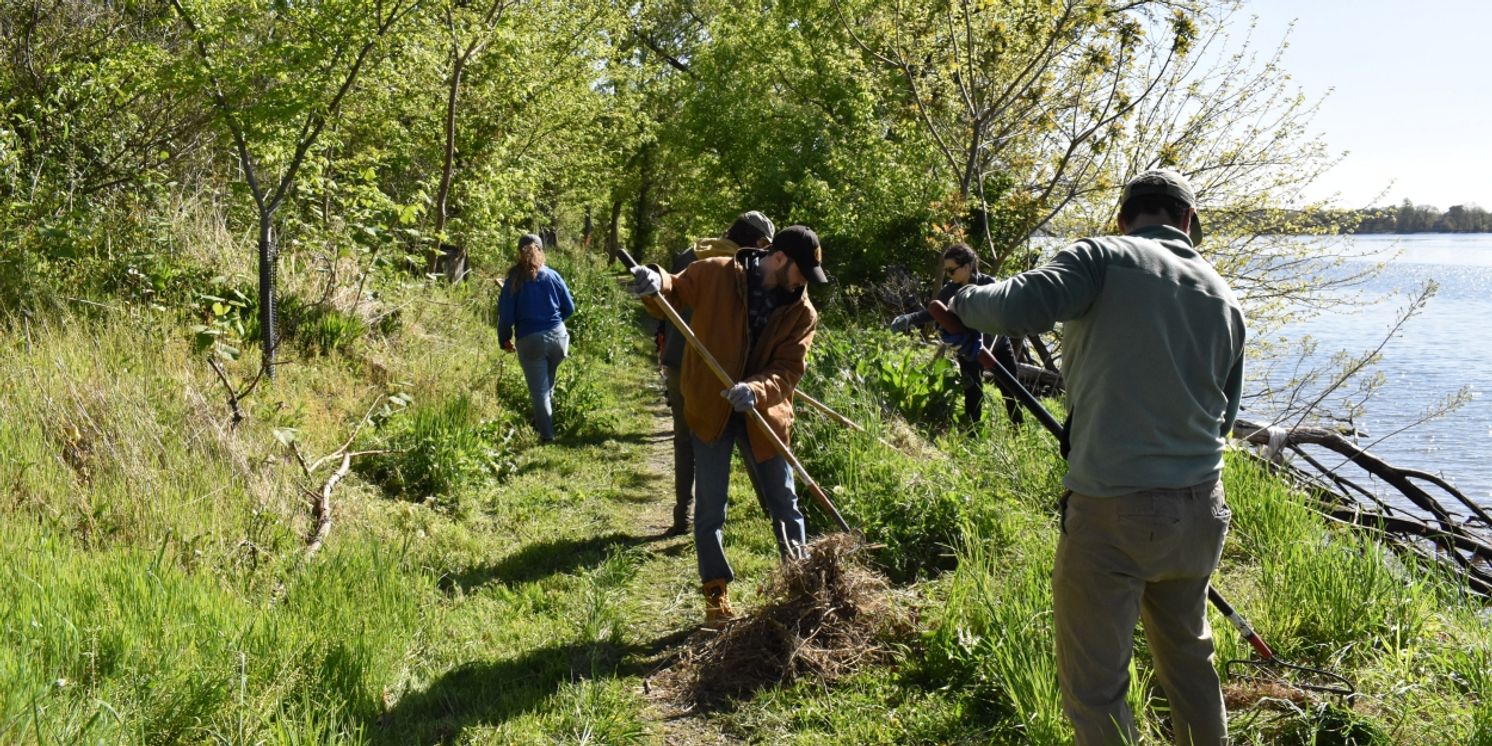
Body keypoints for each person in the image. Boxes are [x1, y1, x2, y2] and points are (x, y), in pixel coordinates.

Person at [947, 169, 1245, 746]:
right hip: (1203, 510)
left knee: (1097, 688)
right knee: (1191, 666)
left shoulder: (1102, 256)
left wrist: (962, 299)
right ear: (1188, 223)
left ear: (1124, 219)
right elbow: (1224, 420)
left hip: (1114, 510)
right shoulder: (1225, 297)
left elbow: (1016, 307)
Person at [627, 225, 828, 624]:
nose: (804, 282)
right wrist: (654, 280)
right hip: (711, 405)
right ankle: (715, 595)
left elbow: (789, 370)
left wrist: (755, 389)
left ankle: (801, 589)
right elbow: (675, 289)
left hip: (764, 415)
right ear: (779, 257)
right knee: (711, 507)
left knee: (785, 504)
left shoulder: (802, 312)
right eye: (801, 271)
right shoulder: (717, 272)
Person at [657, 211, 777, 536]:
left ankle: (682, 516)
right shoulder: (740, 266)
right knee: (750, 433)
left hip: (678, 360)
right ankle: (772, 508)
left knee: (685, 440)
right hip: (721, 366)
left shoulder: (689, 253)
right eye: (764, 245)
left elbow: (662, 299)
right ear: (755, 241)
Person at [889, 243, 1025, 427]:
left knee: (1011, 390)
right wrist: (908, 319)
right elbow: (933, 312)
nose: (948, 275)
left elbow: (1004, 314)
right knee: (972, 391)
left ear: (967, 266)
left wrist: (988, 345)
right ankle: (973, 431)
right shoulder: (950, 290)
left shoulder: (990, 285)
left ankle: (1018, 429)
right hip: (968, 347)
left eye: (951, 270)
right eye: (946, 271)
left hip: (997, 345)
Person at [498, 233, 576, 444]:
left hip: (530, 340)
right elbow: (569, 308)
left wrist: (504, 339)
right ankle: (543, 421)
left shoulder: (513, 280)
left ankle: (547, 436)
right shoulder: (553, 276)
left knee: (540, 391)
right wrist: (555, 322)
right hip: (559, 338)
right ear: (541, 251)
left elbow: (506, 317)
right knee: (546, 385)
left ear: (519, 253)